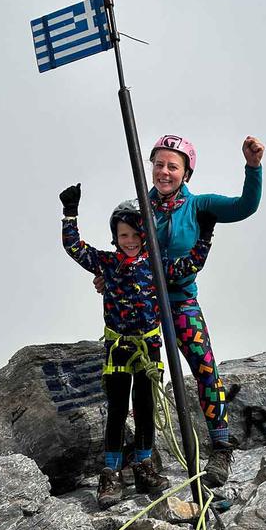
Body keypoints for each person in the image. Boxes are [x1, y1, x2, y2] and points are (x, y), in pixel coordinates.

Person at [98, 134, 264, 487]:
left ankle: (220, 445)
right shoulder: (139, 208)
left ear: (186, 172)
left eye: (172, 166)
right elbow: (123, 251)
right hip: (141, 306)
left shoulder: (199, 206)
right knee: (143, 379)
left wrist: (253, 167)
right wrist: (107, 277)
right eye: (158, 164)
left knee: (204, 367)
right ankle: (142, 456)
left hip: (180, 302)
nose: (164, 172)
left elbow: (244, 207)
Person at [61, 184, 217, 509]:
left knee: (145, 406)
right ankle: (111, 472)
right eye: (123, 236)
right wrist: (70, 214)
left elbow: (190, 265)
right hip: (118, 347)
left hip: (149, 348)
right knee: (117, 410)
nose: (129, 241)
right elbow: (75, 247)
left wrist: (206, 233)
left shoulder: (157, 266)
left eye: (135, 234)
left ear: (145, 235)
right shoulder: (106, 264)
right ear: (115, 237)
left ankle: (144, 466)